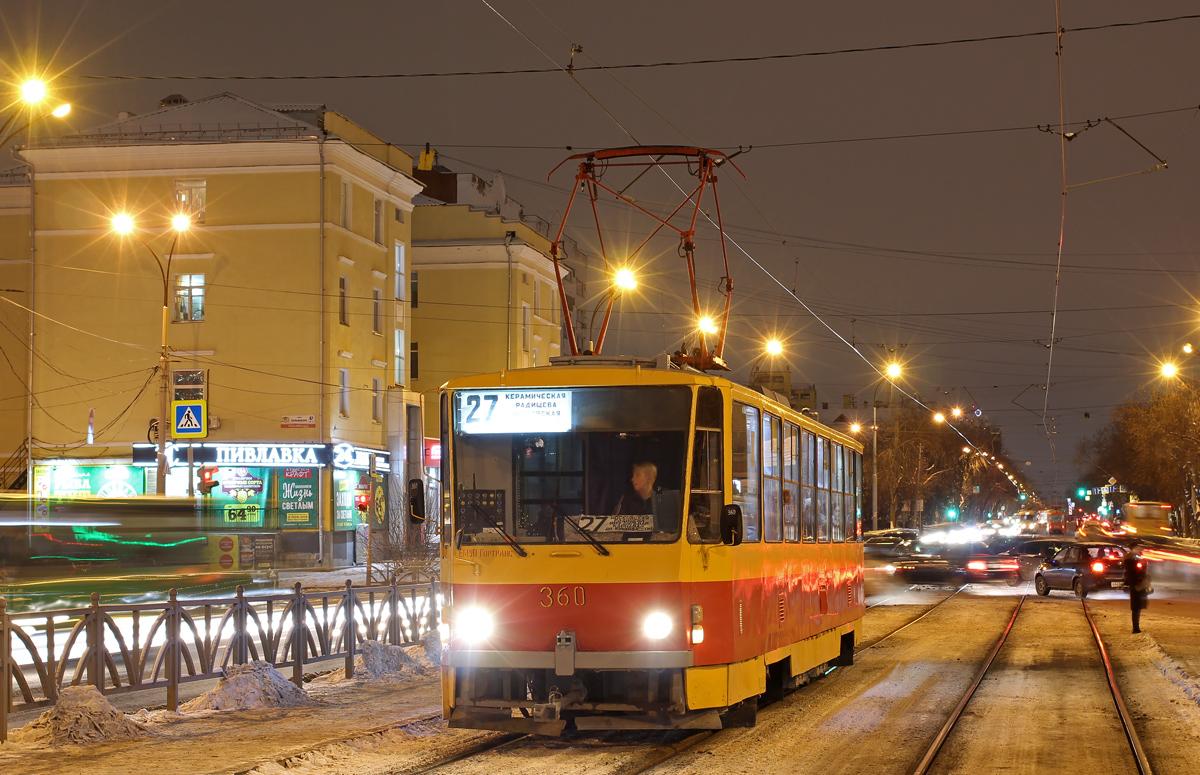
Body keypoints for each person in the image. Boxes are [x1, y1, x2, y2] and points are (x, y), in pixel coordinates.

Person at [615, 462, 680, 533]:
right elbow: (616, 527)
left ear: (649, 478)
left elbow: (671, 532)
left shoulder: (664, 496)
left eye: (637, 475)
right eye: (633, 475)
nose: (632, 479)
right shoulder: (626, 498)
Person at [1122, 548, 1150, 633]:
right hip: (1137, 587)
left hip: (1138, 586)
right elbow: (1139, 574)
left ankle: (1136, 627)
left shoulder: (1134, 563)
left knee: (1137, 608)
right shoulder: (1132, 564)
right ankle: (1136, 628)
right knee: (1136, 608)